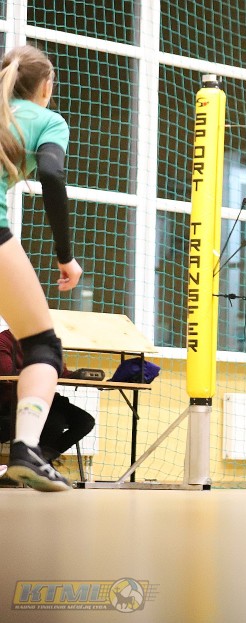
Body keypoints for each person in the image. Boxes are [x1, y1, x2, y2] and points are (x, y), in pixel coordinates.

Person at [0, 46, 83, 491]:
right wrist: (65, 255)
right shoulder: (47, 120)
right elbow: (51, 174)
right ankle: (27, 450)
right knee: (42, 346)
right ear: (46, 87)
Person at [0, 329, 94, 465]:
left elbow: (61, 371)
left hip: (47, 398)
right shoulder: (3, 340)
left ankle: (42, 460)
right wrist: (45, 371)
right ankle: (36, 463)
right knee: (55, 422)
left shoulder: (46, 342)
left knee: (85, 422)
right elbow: (8, 372)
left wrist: (78, 376)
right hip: (15, 400)